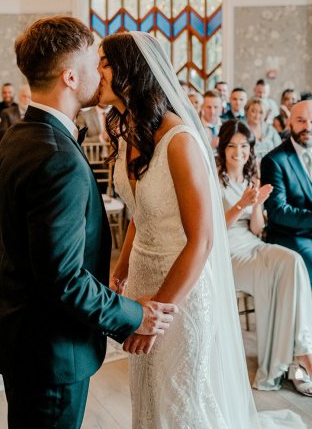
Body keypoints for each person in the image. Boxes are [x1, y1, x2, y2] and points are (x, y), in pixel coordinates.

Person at [98, 31, 306, 429]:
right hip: (143, 276)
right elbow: (142, 211)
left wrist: (157, 313)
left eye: (105, 63)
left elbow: (204, 239)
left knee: (183, 397)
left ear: (130, 72)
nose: (98, 71)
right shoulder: (129, 132)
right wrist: (123, 266)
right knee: (148, 391)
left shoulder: (180, 140)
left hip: (184, 289)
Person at [0, 17, 177, 429]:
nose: (103, 71)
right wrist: (134, 314)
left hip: (20, 333)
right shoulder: (58, 156)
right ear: (71, 77)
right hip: (50, 350)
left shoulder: (17, 136)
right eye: (97, 60)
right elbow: (63, 278)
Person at [218, 120, 312, 395]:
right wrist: (241, 204)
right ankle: (301, 358)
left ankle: (298, 352)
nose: (239, 152)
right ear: (223, 148)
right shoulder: (214, 177)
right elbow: (213, 227)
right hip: (227, 251)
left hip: (251, 243)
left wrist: (257, 202)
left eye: (244, 146)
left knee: (292, 261)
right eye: (233, 146)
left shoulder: (251, 178)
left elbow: (257, 228)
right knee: (284, 270)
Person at [261, 100, 312, 286]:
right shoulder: (274, 160)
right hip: (291, 235)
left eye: (311, 121)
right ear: (289, 122)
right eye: (301, 120)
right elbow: (277, 211)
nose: (308, 127)